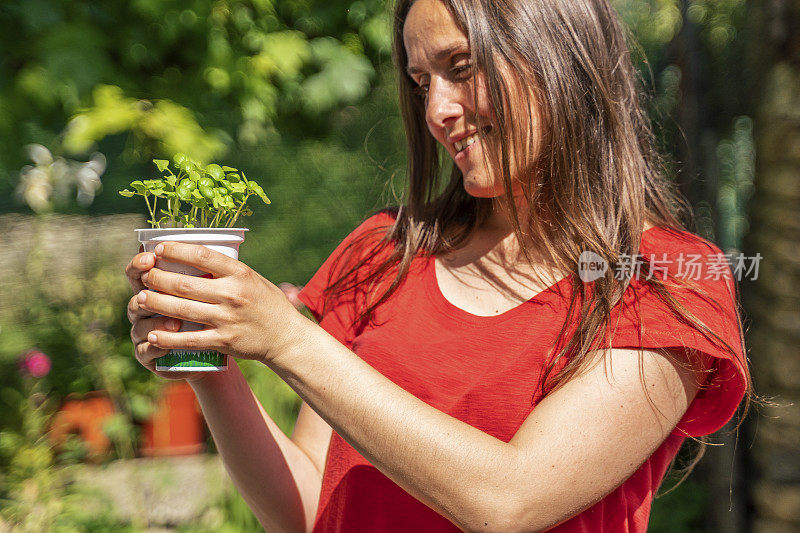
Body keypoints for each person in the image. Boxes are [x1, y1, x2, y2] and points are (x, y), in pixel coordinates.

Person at [125, 0, 750, 531]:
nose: (437, 112)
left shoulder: (666, 278)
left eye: (461, 68)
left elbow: (512, 499)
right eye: (423, 81)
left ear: (561, 54)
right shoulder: (382, 253)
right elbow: (316, 507)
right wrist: (213, 358)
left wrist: (287, 340)